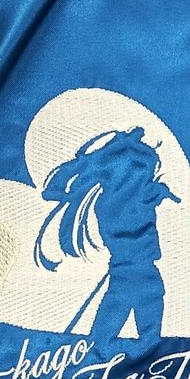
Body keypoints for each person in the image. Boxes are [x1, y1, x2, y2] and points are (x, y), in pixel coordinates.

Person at [34, 127, 179, 346]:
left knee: (128, 316)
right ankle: (105, 347)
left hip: (133, 272)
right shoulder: (120, 201)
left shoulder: (117, 198)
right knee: (133, 312)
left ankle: (105, 347)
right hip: (134, 273)